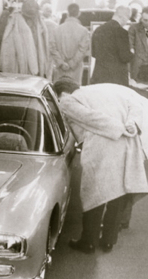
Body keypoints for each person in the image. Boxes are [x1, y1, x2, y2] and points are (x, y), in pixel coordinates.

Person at [53, 77, 148, 253]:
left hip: (103, 143)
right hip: (129, 142)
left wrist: (116, 128)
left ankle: (88, 242)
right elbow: (135, 105)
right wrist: (132, 125)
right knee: (119, 190)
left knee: (94, 191)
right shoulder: (107, 88)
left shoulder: (68, 100)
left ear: (63, 93)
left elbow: (89, 118)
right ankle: (109, 241)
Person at [0, 0, 50, 78]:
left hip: (33, 66)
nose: (31, 20)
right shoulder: (14, 20)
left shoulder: (40, 24)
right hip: (19, 66)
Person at [91, 6, 133, 86]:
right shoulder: (122, 33)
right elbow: (125, 57)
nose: (127, 21)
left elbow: (93, 53)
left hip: (99, 77)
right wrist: (132, 52)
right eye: (128, 18)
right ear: (123, 17)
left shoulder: (98, 30)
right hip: (117, 79)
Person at [51, 3, 90, 84]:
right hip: (75, 70)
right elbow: (82, 50)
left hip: (60, 69)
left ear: (67, 14)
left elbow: (52, 49)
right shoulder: (84, 31)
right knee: (74, 92)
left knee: (59, 91)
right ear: (79, 13)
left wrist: (61, 63)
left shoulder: (56, 29)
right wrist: (71, 64)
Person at [128, 7, 148, 81]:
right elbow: (130, 47)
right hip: (139, 68)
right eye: (145, 20)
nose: (147, 23)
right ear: (141, 17)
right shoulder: (134, 28)